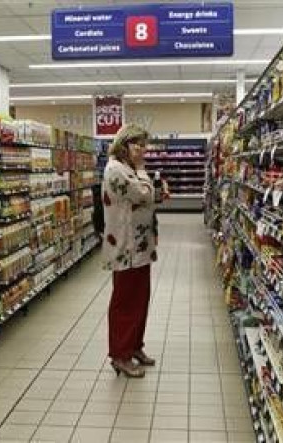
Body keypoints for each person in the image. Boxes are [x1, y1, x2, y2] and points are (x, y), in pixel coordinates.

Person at [101, 124, 158, 378]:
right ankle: (119, 355)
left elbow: (146, 197)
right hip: (125, 247)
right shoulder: (116, 170)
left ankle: (134, 346)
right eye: (138, 144)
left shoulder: (129, 169)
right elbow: (143, 194)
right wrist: (145, 176)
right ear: (124, 145)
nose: (143, 150)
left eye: (145, 145)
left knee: (140, 300)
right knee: (125, 303)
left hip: (140, 247)